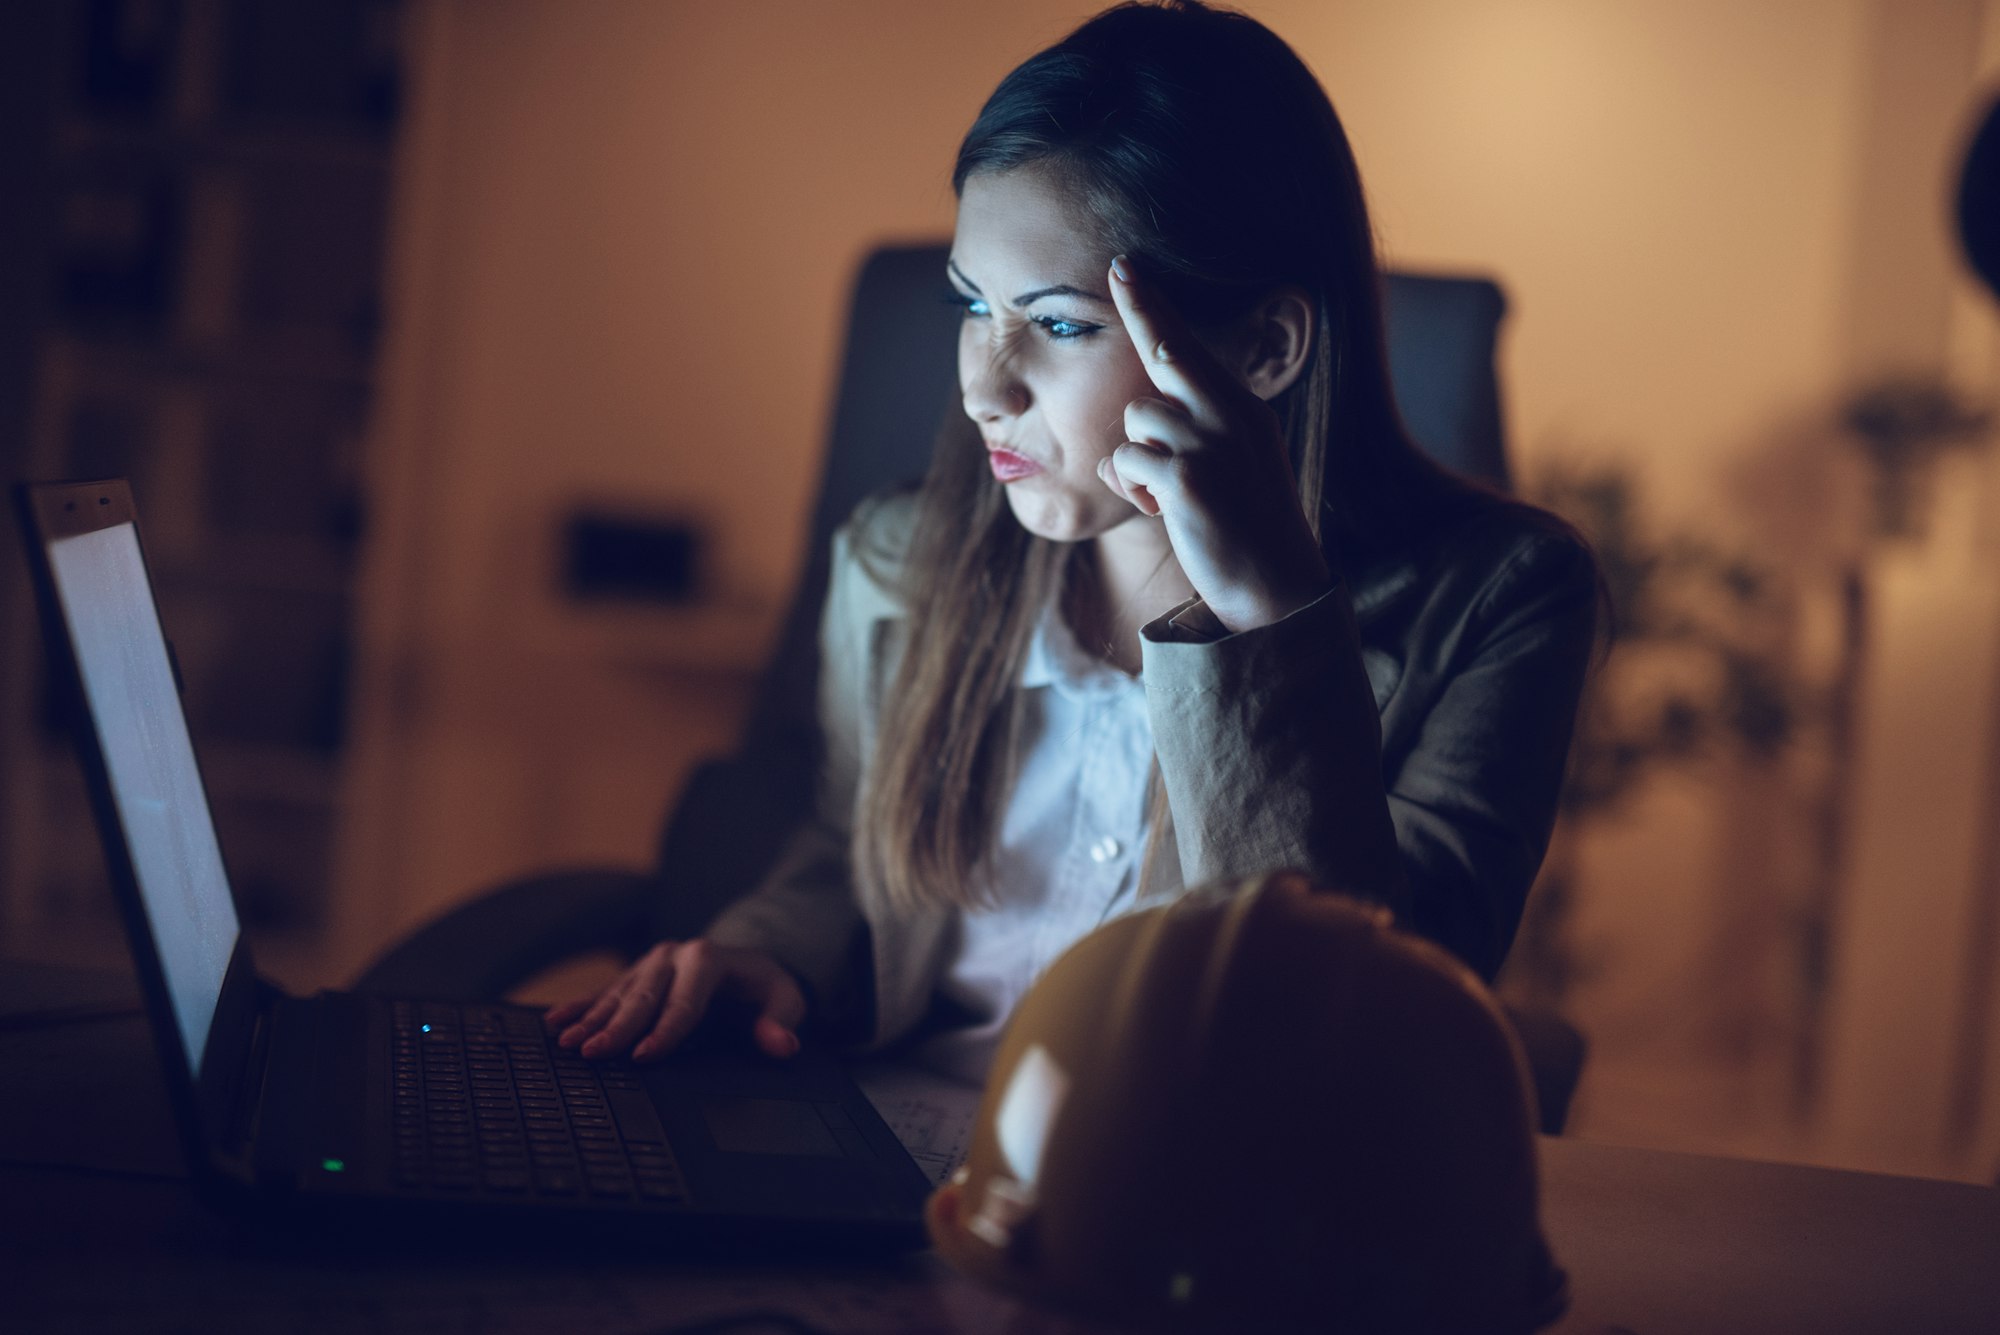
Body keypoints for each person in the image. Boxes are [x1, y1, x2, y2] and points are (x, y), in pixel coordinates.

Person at [546, 0, 1599, 1081]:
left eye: (1055, 324)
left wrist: (1269, 622)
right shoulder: (893, 563)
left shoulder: (1505, 601)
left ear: (1267, 347)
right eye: (971, 305)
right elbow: (845, 857)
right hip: (894, 1154)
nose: (983, 388)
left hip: (1199, 1203)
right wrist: (767, 954)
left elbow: (1360, 1031)